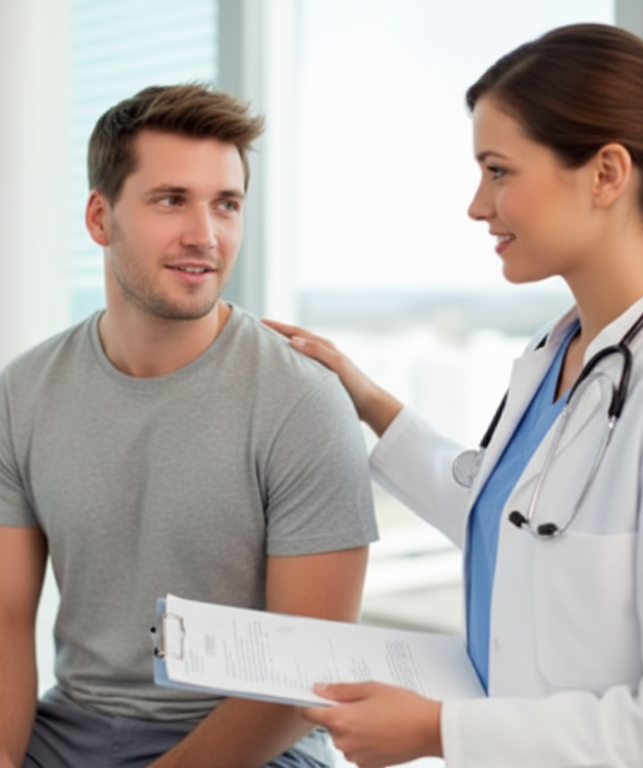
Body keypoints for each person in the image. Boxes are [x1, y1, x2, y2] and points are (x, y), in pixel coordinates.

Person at [0, 84, 378, 768]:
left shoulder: (302, 399)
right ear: (101, 218)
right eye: (170, 200)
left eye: (227, 204)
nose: (204, 235)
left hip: (252, 747)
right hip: (66, 731)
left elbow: (307, 663)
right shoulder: (24, 392)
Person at [265, 22, 643, 768]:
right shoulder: (555, 355)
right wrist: (367, 398)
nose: (477, 205)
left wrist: (441, 732)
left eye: (498, 171)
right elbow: (505, 514)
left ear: (605, 174)